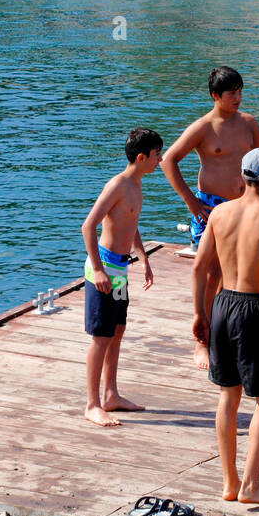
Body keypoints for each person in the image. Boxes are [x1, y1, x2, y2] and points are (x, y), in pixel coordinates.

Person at [191, 146, 259, 506]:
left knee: (227, 396)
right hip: (256, 310)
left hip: (222, 304)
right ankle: (252, 483)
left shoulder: (219, 213)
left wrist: (200, 313)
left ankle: (229, 482)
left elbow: (199, 266)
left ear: (244, 179)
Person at [161, 67, 259, 369]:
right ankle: (201, 342)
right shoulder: (203, 128)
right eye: (231, 92)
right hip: (211, 208)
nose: (238, 97)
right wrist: (190, 200)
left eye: (240, 91)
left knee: (237, 274)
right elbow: (169, 160)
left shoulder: (249, 123)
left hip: (244, 206)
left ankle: (226, 333)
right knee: (210, 272)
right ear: (215, 96)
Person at [81, 126, 163, 427]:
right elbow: (88, 227)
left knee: (117, 331)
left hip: (120, 270)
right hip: (103, 270)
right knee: (101, 337)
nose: (160, 160)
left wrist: (143, 258)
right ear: (141, 157)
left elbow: (131, 223)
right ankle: (92, 404)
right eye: (156, 156)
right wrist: (99, 270)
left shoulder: (138, 185)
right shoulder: (117, 185)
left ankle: (111, 394)